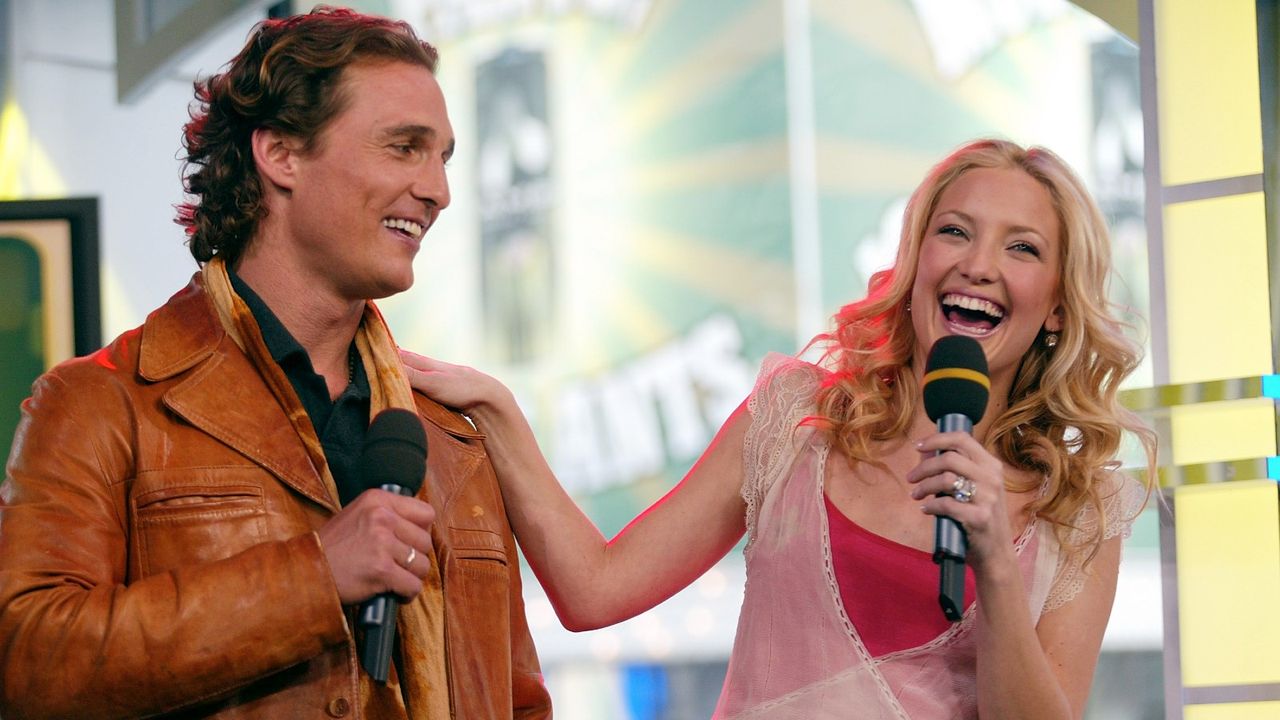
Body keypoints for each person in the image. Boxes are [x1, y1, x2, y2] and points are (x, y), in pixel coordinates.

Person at [401, 138, 1157, 718]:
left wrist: (994, 565)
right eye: (955, 232)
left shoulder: (1079, 513)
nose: (979, 265)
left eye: (1021, 247)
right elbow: (595, 591)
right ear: (915, 261)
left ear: (1057, 306)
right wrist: (498, 412)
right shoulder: (796, 423)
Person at [0, 7, 549, 719]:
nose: (439, 191)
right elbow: (27, 660)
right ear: (281, 154)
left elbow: (519, 701)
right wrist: (314, 576)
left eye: (443, 156)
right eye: (405, 148)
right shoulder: (101, 402)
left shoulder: (451, 433)